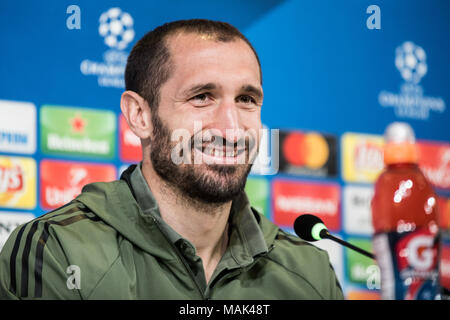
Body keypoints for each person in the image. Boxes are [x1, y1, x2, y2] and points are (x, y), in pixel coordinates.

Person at [0, 19, 343, 299]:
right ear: (139, 115)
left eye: (246, 100)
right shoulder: (59, 250)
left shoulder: (309, 272)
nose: (232, 129)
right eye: (202, 97)